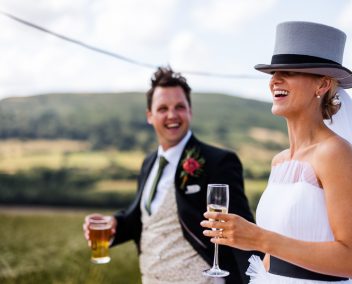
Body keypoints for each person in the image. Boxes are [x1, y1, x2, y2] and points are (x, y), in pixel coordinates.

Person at [201, 21, 352, 283]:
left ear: (323, 85)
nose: (275, 80)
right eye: (273, 72)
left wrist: (258, 238)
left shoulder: (336, 153)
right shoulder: (279, 162)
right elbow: (275, 252)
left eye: (289, 72)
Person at [83, 66, 258, 284]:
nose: (172, 115)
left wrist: (256, 280)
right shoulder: (149, 163)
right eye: (163, 108)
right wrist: (114, 223)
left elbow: (243, 229)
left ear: (190, 111)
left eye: (179, 107)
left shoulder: (218, 162)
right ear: (150, 116)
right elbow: (143, 217)